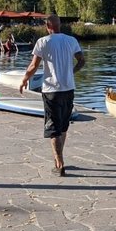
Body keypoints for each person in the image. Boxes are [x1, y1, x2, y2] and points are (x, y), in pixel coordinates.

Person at [19, 14, 85, 177]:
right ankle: (59, 159)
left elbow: (34, 65)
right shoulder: (71, 41)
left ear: (47, 26)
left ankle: (59, 164)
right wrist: (71, 72)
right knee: (63, 126)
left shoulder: (43, 42)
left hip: (51, 90)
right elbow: (82, 61)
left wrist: (25, 79)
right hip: (68, 89)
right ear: (59, 25)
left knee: (53, 128)